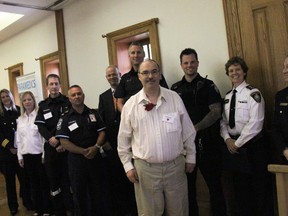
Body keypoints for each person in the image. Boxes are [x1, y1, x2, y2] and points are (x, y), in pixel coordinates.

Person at [118, 59, 196, 215]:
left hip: (175, 168)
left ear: (160, 75)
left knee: (179, 212)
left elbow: (188, 131)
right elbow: (123, 141)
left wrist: (191, 157)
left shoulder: (174, 98)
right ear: (139, 77)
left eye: (154, 71)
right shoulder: (130, 105)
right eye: (145, 72)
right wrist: (128, 166)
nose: (150, 76)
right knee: (149, 213)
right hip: (145, 171)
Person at [171, 48, 226, 216]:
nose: (189, 65)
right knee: (188, 188)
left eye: (192, 62)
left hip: (207, 143)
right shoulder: (175, 89)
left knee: (215, 186)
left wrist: (195, 128)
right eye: (186, 63)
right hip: (185, 146)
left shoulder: (208, 86)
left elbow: (216, 112)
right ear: (181, 65)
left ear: (198, 63)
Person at [220, 56, 273, 216]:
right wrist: (227, 139)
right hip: (234, 150)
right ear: (227, 74)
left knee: (259, 190)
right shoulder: (228, 97)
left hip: (253, 148)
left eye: (237, 69)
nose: (234, 73)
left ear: (244, 72)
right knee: (240, 191)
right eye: (231, 71)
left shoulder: (253, 94)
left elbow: (256, 123)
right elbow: (223, 122)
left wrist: (238, 143)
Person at [56, 85, 112, 216]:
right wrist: (83, 151)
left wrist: (96, 147)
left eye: (79, 94)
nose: (77, 97)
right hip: (77, 162)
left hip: (95, 159)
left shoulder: (93, 113)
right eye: (73, 95)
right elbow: (64, 141)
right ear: (69, 99)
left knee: (99, 192)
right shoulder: (65, 118)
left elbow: (102, 132)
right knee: (79, 194)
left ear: (83, 95)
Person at [98, 65, 137, 215]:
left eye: (114, 75)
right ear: (106, 78)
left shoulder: (129, 93)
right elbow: (101, 121)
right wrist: (105, 142)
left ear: (120, 75)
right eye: (109, 75)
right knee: (116, 180)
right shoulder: (103, 96)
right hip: (112, 146)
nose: (112, 77)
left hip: (130, 144)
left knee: (132, 178)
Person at [35, 74, 73, 216]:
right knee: (54, 182)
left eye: (56, 83)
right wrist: (51, 138)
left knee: (68, 180)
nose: (54, 86)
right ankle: (59, 211)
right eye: (51, 84)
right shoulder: (43, 105)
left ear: (60, 85)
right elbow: (40, 126)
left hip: (67, 148)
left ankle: (71, 208)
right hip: (51, 149)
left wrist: (62, 141)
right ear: (47, 87)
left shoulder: (68, 102)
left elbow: (70, 122)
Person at [16, 91, 52, 216]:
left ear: (33, 101)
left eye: (29, 99)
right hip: (27, 156)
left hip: (39, 155)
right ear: (22, 103)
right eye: (24, 100)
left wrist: (43, 155)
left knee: (43, 183)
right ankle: (38, 209)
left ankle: (47, 209)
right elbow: (19, 140)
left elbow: (43, 138)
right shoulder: (19, 120)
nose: (27, 102)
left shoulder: (39, 116)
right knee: (33, 184)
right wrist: (20, 156)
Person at [0, 89, 32, 215]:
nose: (5, 99)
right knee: (10, 182)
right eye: (2, 97)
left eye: (7, 96)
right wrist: (9, 146)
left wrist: (20, 147)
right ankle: (13, 206)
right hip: (6, 154)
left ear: (11, 97)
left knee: (24, 179)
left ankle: (27, 201)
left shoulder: (19, 110)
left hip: (21, 152)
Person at [114, 41, 168, 112]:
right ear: (129, 56)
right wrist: (127, 116)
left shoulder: (155, 75)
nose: (136, 55)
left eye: (139, 52)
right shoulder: (125, 78)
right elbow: (119, 102)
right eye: (133, 53)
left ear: (144, 54)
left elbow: (165, 95)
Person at [271, 55, 288, 164]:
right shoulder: (281, 96)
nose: (284, 71)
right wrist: (284, 150)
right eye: (284, 67)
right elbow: (275, 127)